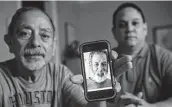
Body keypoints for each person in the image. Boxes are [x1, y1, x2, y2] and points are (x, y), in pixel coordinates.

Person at [0, 6, 132, 107]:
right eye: (24, 33)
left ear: (54, 46)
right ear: (10, 42)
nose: (35, 42)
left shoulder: (60, 74)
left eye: (44, 36)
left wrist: (99, 95)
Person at [110, 2, 172, 107]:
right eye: (122, 25)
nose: (129, 29)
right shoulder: (104, 61)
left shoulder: (164, 57)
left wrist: (150, 106)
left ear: (145, 28)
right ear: (114, 32)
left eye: (135, 23)